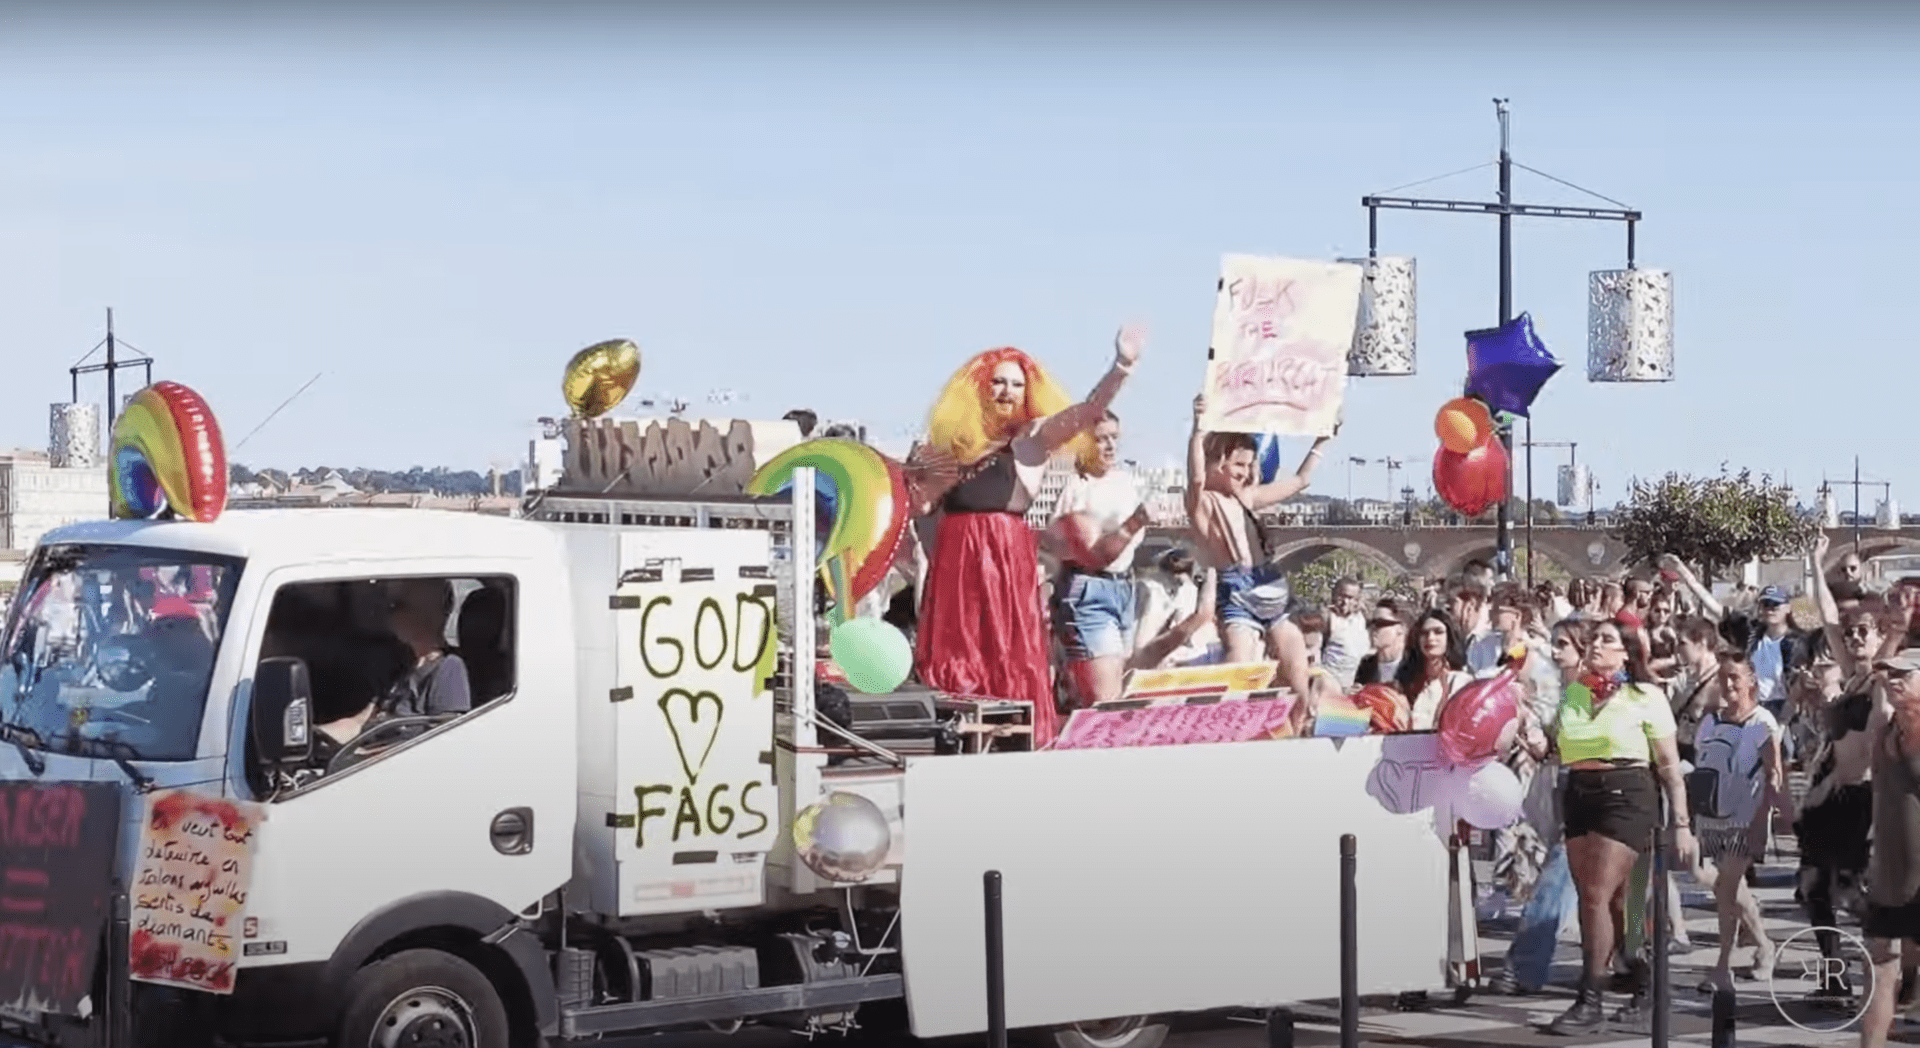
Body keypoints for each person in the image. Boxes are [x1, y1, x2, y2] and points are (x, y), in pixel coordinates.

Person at [915, 329, 1142, 747]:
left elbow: (1088, 411)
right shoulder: (954, 447)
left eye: (1017, 384)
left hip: (1003, 556)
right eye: (998, 381)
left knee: (1005, 651)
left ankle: (1011, 742)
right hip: (956, 561)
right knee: (957, 658)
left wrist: (1121, 368)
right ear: (979, 387)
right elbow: (923, 510)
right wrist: (914, 481)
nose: (1007, 391)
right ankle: (956, 739)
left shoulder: (1033, 439)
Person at [1547, 615, 1697, 1035]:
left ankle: (1589, 997)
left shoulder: (1645, 695)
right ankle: (1646, 979)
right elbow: (1560, 746)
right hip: (1580, 792)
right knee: (1610, 901)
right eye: (1593, 639)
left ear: (1626, 651)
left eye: (1606, 640)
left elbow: (1669, 767)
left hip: (1627, 793)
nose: (1595, 645)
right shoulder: (1575, 692)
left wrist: (1681, 823)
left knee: (1594, 895)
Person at [1183, 392, 1331, 723]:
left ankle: (1298, 730)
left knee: (1296, 665)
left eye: (1251, 465)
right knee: (1240, 668)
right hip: (1236, 590)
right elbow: (1194, 477)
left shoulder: (1247, 498)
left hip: (1269, 583)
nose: (1247, 473)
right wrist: (1198, 431)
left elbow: (1301, 480)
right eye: (1239, 465)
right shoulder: (1203, 502)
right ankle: (1229, 733)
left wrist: (1322, 440)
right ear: (1218, 463)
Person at [1489, 617, 1594, 995]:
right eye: (1554, 642)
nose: (1555, 650)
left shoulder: (1586, 689)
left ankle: (1525, 966)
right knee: (1585, 884)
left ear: (1582, 648)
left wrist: (1550, 746)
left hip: (1588, 791)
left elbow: (1585, 745)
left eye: (1563, 643)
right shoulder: (1565, 688)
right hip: (1561, 786)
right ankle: (1630, 959)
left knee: (1559, 877)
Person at [1691, 650, 1789, 992]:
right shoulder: (1711, 721)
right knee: (1714, 881)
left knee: (1727, 889)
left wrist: (1769, 818)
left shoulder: (1762, 722)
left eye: (1735, 677)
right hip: (1710, 817)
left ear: (1751, 681)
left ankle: (1722, 967)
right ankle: (1764, 945)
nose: (1728, 683)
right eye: (1723, 677)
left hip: (1744, 819)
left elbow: (1774, 773)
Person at [1047, 411, 1152, 707]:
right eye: (1100, 439)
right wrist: (1133, 524)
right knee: (1104, 702)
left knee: (1113, 697)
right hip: (1090, 590)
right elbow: (1094, 556)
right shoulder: (1077, 489)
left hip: (1123, 589)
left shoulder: (1125, 481)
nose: (1109, 446)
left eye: (1114, 438)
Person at [1858, 650, 1920, 1048]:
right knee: (1880, 968)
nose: (1894, 679)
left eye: (1904, 673)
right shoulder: (1884, 729)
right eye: (1889, 674)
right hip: (1889, 873)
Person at [1393, 609, 1470, 731]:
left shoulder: (1460, 682)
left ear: (1449, 637)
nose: (1430, 637)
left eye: (1438, 632)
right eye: (1424, 633)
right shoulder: (1406, 682)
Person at [1320, 576, 1371, 691]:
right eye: (1342, 596)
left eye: (1351, 598)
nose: (1345, 602)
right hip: (1330, 688)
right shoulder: (1327, 618)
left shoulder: (1361, 617)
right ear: (1334, 595)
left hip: (1355, 687)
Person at [1352, 597, 1410, 688]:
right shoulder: (1366, 664)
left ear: (1401, 629)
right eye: (1371, 623)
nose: (1373, 629)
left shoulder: (1414, 665)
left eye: (1380, 623)